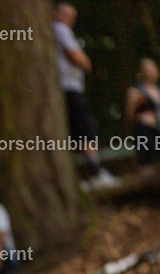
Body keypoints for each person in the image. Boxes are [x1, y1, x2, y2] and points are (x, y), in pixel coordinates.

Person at [52, 3, 119, 189]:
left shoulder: (57, 31)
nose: (71, 20)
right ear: (57, 14)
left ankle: (83, 176)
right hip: (69, 89)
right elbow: (78, 58)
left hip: (67, 90)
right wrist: (85, 60)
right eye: (68, 15)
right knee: (85, 132)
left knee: (75, 133)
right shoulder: (60, 29)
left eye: (73, 17)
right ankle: (96, 172)